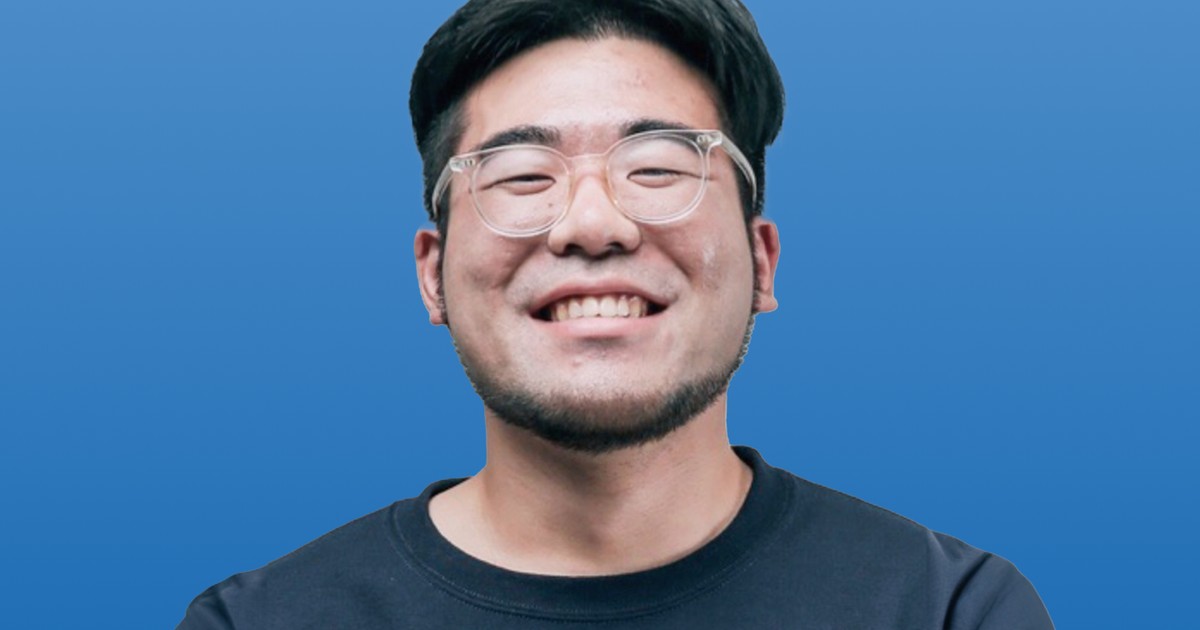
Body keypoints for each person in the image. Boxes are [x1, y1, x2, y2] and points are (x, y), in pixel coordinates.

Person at [179, 0, 1054, 627]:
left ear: (762, 260)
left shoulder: (946, 608)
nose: (593, 224)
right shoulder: (261, 620)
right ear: (432, 275)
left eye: (660, 167)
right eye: (523, 176)